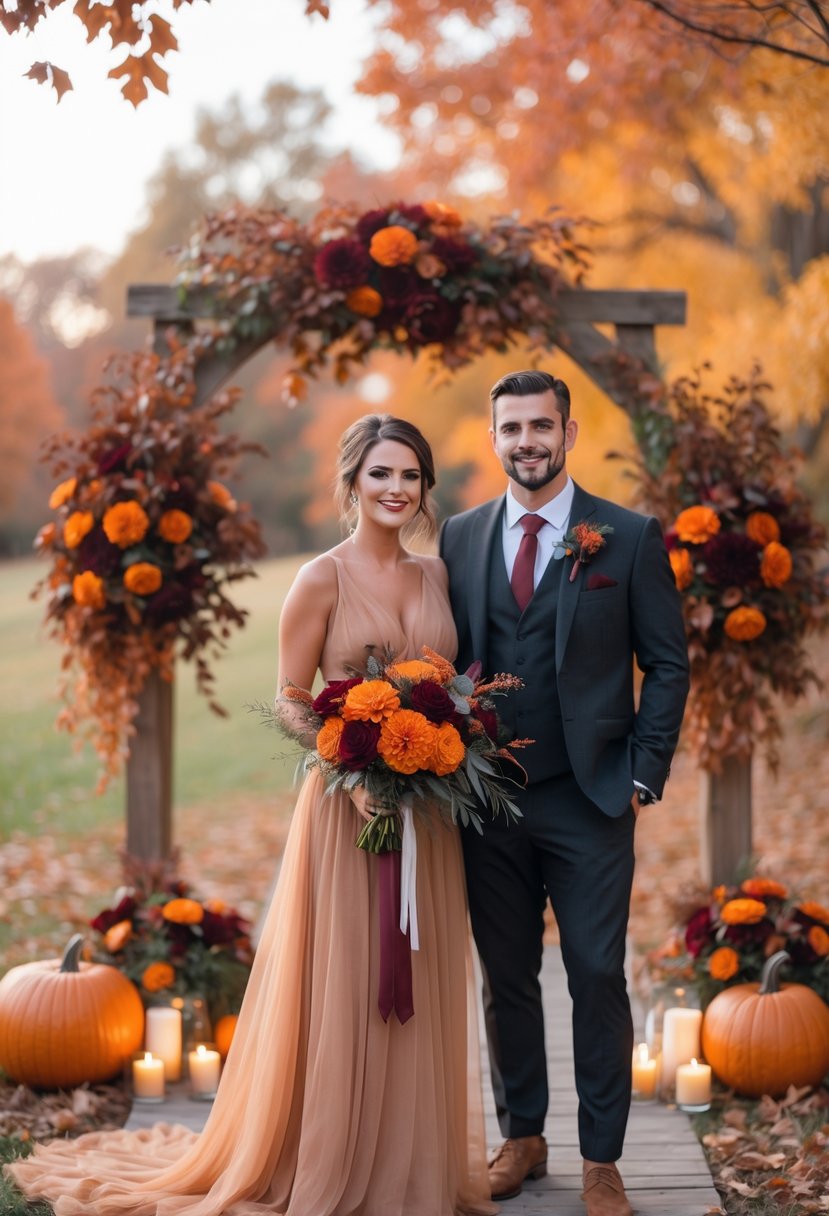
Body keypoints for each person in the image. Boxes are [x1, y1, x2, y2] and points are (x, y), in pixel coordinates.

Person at [6, 414, 495, 1216]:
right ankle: (331, 1159)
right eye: (381, 474)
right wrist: (352, 761)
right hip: (348, 811)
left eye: (411, 476)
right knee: (350, 980)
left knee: (418, 972)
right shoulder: (320, 579)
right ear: (350, 483)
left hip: (427, 817)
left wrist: (440, 748)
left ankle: (412, 1169)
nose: (397, 490)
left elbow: (452, 687)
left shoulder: (435, 578)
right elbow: (292, 700)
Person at [440, 371, 690, 1216]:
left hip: (590, 799)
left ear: (569, 433)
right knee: (504, 977)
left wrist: (642, 774)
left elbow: (666, 663)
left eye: (539, 425)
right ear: (493, 439)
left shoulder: (626, 535)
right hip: (486, 800)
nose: (526, 442)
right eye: (510, 428)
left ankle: (602, 1160)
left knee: (594, 975)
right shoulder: (461, 537)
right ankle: (522, 1137)